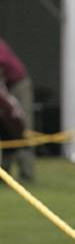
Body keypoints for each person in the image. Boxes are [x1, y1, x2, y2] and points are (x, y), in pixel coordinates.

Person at [0, 36, 35, 182]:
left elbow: (2, 65)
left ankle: (27, 174)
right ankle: (5, 173)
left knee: (22, 129)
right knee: (5, 129)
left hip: (18, 85)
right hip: (7, 88)